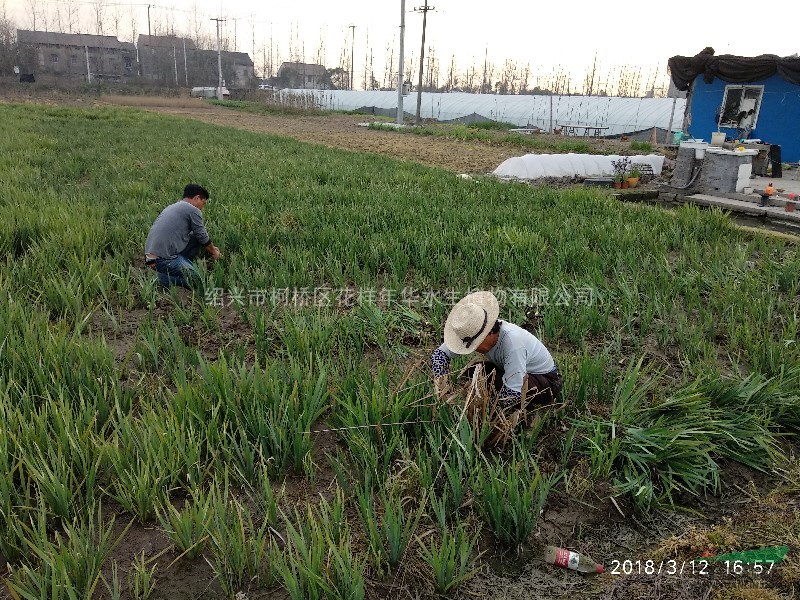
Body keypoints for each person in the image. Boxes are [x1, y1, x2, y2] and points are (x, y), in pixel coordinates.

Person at [431, 291, 563, 411]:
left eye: (476, 345)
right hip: (512, 370)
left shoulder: (513, 343)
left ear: (489, 332)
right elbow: (439, 355)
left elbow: (513, 393)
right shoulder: (471, 331)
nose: (474, 349)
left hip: (547, 382)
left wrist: (482, 408)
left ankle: (523, 420)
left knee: (501, 387)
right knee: (473, 373)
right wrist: (443, 390)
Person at [145, 183, 221, 289]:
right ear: (197, 198)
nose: (202, 208)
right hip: (163, 259)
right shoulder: (192, 209)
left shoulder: (174, 207)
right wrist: (214, 252)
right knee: (199, 281)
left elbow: (197, 236)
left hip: (153, 256)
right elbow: (202, 235)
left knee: (195, 237)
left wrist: (210, 247)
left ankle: (185, 264)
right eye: (203, 204)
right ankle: (160, 278)